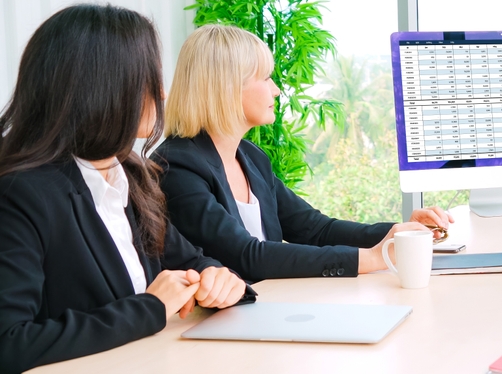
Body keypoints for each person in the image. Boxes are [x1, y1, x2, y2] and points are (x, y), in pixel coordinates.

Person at [0, 5, 253, 374]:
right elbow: (9, 344)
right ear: (102, 88)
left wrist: (219, 280)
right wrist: (149, 308)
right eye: (148, 79)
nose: (162, 93)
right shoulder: (22, 194)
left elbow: (191, 261)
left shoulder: (129, 174)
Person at [154, 25, 454, 283]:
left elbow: (316, 230)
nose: (276, 90)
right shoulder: (177, 167)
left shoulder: (251, 158)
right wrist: (371, 259)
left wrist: (398, 233)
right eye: (265, 78)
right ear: (227, 87)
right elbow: (246, 256)